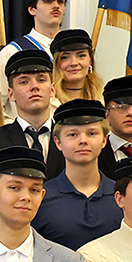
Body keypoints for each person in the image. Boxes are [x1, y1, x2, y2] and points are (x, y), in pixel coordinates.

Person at [0, 49, 62, 231]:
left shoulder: (70, 139)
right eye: (24, 81)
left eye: (41, 80)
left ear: (52, 89)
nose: (34, 87)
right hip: (9, 240)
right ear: (11, 94)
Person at [31, 99, 123, 251]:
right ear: (58, 142)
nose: (83, 141)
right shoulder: (41, 198)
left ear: (104, 140)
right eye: (73, 134)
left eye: (92, 133)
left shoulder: (122, 196)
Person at [0, 0, 67, 94]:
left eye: (61, 2)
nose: (56, 6)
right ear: (32, 9)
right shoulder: (12, 52)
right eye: (48, 1)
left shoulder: (73, 50)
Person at [51, 29, 103, 104]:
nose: (74, 63)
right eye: (65, 57)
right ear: (56, 63)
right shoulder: (47, 102)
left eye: (81, 56)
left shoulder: (105, 98)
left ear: (90, 61)